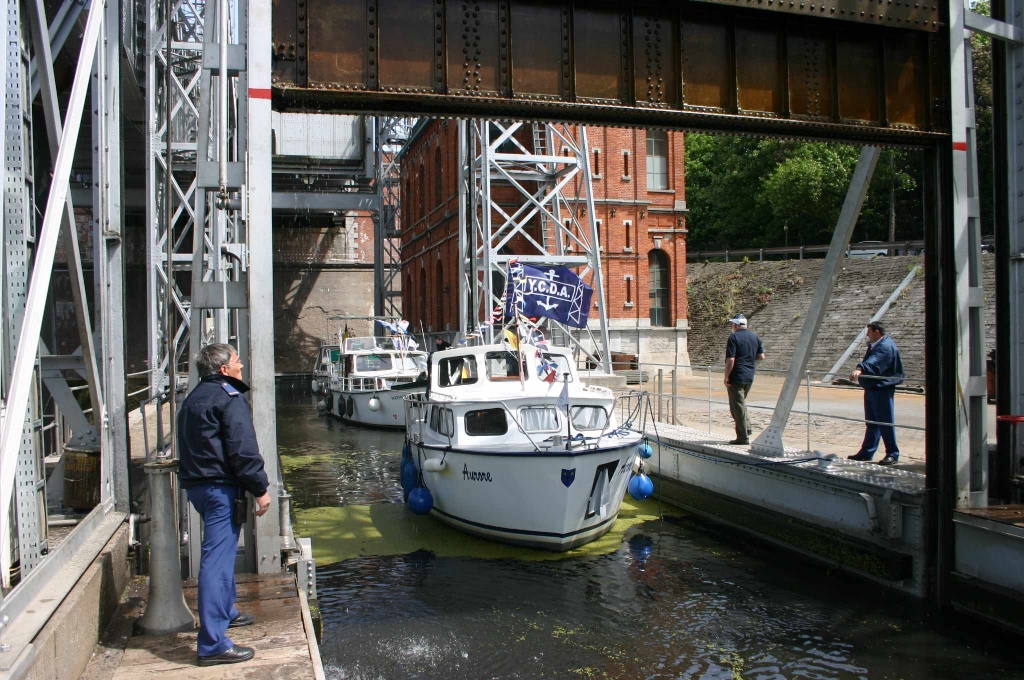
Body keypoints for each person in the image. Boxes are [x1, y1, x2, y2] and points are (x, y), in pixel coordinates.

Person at [177, 344, 272, 666]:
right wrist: (260, 488)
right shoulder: (229, 397)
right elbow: (243, 448)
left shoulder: (194, 399)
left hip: (198, 487)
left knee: (223, 552)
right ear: (223, 370)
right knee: (216, 563)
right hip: (220, 489)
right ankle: (213, 645)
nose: (241, 364)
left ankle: (227, 611)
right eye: (236, 361)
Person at [848, 322, 903, 465]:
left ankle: (892, 453)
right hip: (873, 388)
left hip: (882, 389)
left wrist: (860, 368)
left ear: (877, 332)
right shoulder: (877, 344)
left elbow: (875, 362)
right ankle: (867, 451)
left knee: (885, 422)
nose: (867, 334)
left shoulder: (885, 346)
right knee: (872, 423)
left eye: (869, 332)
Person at [723, 313, 765, 445]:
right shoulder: (755, 337)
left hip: (736, 377)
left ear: (735, 325)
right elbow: (761, 356)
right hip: (749, 376)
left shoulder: (734, 337)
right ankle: (747, 428)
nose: (732, 327)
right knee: (740, 405)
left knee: (737, 407)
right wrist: (749, 357)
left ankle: (743, 437)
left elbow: (731, 360)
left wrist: (726, 377)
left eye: (732, 324)